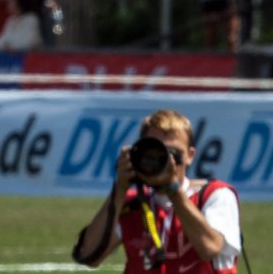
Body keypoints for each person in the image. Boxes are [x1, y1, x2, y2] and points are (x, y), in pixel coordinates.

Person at [72, 109, 242, 273]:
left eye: (173, 153)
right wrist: (119, 190)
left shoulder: (214, 195)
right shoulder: (132, 204)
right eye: (154, 153)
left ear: (190, 156)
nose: (163, 161)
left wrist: (173, 190)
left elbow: (209, 248)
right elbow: (88, 255)